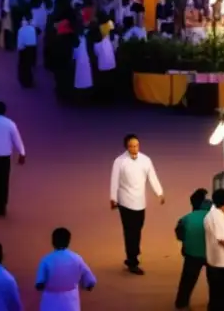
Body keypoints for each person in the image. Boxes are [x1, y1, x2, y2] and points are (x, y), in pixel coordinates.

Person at [110, 133, 165, 275]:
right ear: (126, 147)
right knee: (130, 231)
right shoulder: (119, 161)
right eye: (131, 146)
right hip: (125, 201)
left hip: (140, 201)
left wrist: (159, 192)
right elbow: (114, 180)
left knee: (138, 228)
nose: (134, 149)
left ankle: (133, 253)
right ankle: (132, 260)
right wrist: (113, 198)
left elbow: (152, 176)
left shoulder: (146, 160)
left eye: (136, 146)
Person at [35, 227, 97, 311]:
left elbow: (39, 284)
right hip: (70, 302)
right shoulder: (76, 258)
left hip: (50, 302)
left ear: (53, 242)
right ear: (68, 241)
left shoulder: (46, 259)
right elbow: (90, 281)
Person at [174, 188, 212, 309]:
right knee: (214, 281)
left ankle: (181, 303)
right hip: (211, 254)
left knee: (187, 279)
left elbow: (179, 235)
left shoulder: (186, 218)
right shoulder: (215, 218)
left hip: (191, 254)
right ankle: (214, 304)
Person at [17, 14, 39, 88]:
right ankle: (29, 81)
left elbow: (20, 43)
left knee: (23, 66)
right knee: (29, 66)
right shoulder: (33, 29)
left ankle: (24, 81)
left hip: (24, 49)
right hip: (31, 49)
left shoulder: (21, 30)